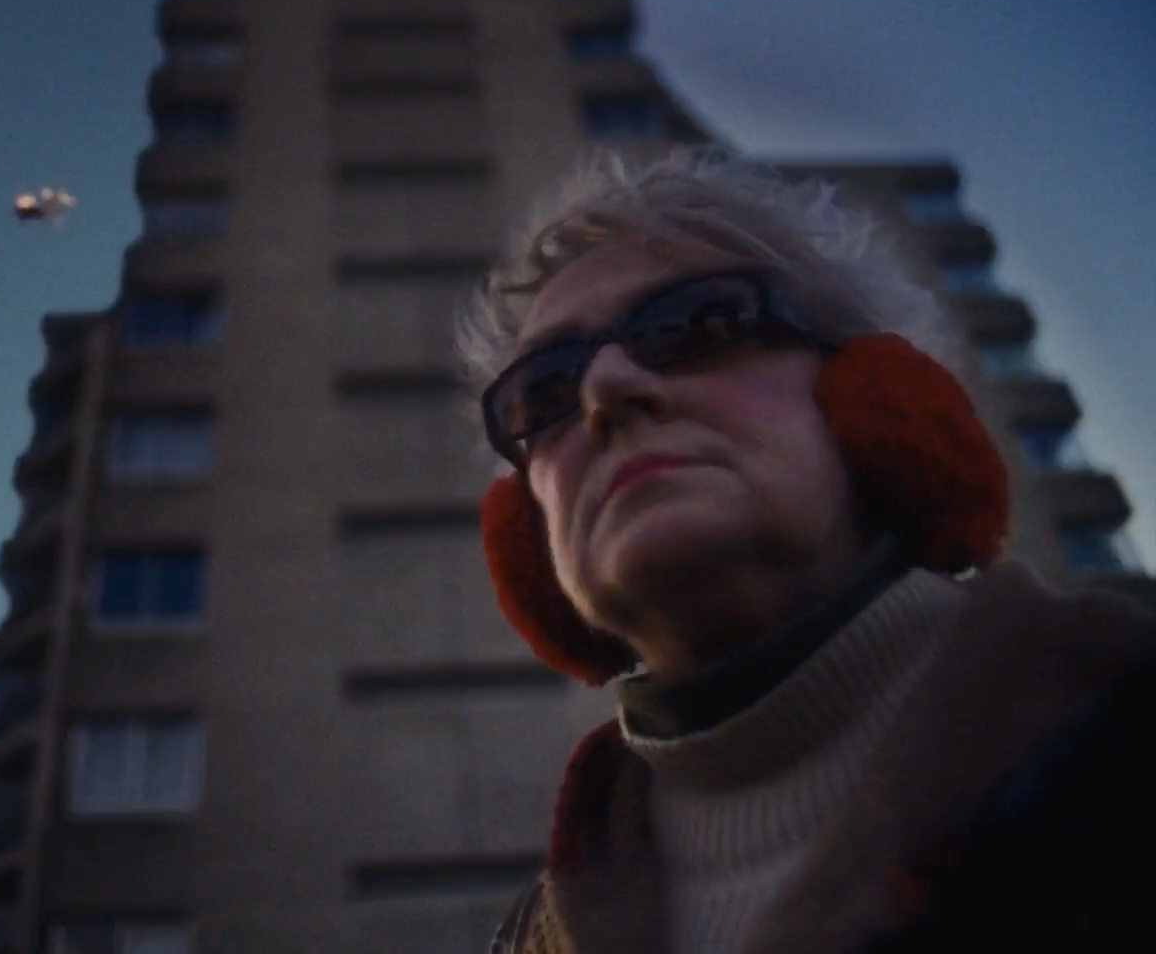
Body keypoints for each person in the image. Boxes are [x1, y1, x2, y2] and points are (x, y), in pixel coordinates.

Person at [455, 148, 1156, 953]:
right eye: (545, 390)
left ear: (881, 400)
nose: (604, 389)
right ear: (530, 537)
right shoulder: (528, 940)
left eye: (701, 325)